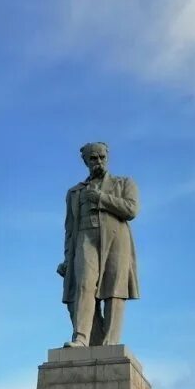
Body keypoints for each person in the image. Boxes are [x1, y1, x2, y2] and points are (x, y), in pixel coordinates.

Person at [57, 142, 140, 347]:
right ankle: (82, 338)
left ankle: (110, 342)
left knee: (114, 289)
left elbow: (131, 209)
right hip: (85, 238)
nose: (99, 162)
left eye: (102, 157)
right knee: (83, 285)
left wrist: (101, 198)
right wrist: (68, 259)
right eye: (93, 158)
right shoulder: (75, 193)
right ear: (86, 161)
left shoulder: (124, 183)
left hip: (116, 240)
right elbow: (69, 230)